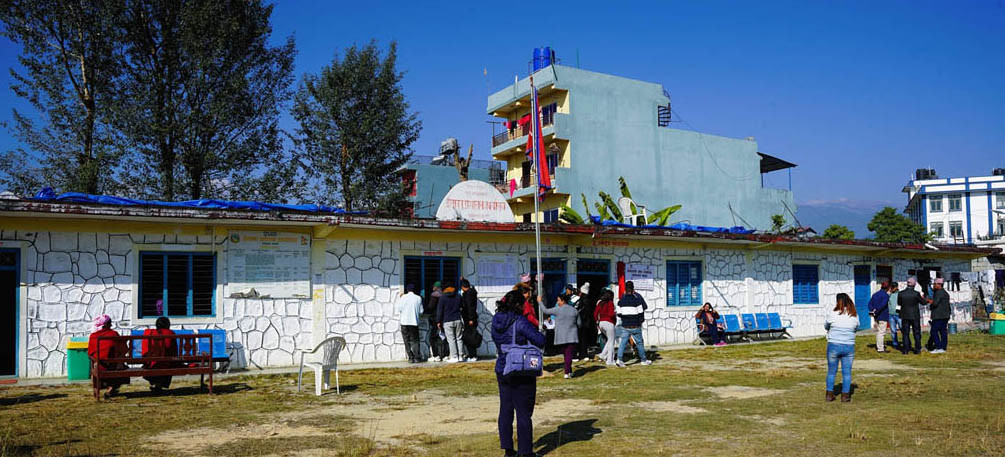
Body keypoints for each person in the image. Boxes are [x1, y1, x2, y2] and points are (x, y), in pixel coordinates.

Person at [491, 290, 546, 457]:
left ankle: (508, 450)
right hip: (520, 370)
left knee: (506, 409)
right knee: (523, 412)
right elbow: (540, 341)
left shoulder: (496, 320)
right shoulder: (520, 321)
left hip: (502, 367)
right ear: (518, 305)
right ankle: (525, 451)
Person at [825, 293, 860, 402]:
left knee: (831, 371)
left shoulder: (833, 313)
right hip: (848, 345)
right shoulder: (854, 315)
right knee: (847, 372)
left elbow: (826, 326)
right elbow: (856, 328)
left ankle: (829, 394)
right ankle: (845, 396)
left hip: (833, 344)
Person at [87, 315, 129, 399]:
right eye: (110, 323)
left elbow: (90, 353)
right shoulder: (114, 334)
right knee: (123, 368)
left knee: (97, 368)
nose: (111, 325)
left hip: (99, 366)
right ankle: (111, 389)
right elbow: (123, 349)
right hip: (113, 367)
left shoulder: (93, 336)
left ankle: (103, 389)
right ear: (107, 324)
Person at [543, 293, 580, 378]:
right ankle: (568, 372)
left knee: (566, 355)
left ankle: (568, 371)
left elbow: (545, 311)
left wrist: (539, 302)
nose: (557, 302)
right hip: (572, 336)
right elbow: (579, 323)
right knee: (569, 354)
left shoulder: (557, 310)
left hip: (561, 337)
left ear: (563, 301)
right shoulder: (574, 310)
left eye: (558, 300)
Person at [615, 281, 651, 367]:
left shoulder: (620, 301)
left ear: (625, 289)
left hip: (625, 326)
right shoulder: (637, 300)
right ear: (633, 289)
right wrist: (640, 321)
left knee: (623, 343)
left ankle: (619, 359)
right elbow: (641, 313)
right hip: (635, 325)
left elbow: (619, 314)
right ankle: (643, 360)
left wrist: (625, 317)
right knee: (639, 343)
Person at [142, 316, 177, 391]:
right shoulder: (170, 333)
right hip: (166, 363)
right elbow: (174, 351)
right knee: (168, 363)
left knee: (158, 363)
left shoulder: (148, 333)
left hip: (150, 364)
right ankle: (159, 385)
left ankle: (156, 384)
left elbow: (144, 351)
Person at [395, 284, 424, 363]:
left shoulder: (403, 297)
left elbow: (399, 309)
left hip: (404, 322)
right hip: (414, 322)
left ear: (407, 290)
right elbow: (421, 311)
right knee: (415, 340)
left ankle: (410, 357)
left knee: (406, 340)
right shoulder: (418, 298)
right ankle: (417, 357)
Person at [436, 282, 464, 363]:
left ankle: (454, 356)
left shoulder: (443, 297)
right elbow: (462, 306)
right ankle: (461, 356)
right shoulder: (458, 296)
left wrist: (438, 321)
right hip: (458, 319)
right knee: (459, 338)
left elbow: (440, 310)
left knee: (451, 339)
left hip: (447, 320)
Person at [898, 277, 925, 354]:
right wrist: (924, 298)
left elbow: (899, 303)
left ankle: (905, 350)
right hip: (914, 315)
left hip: (904, 315)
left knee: (905, 333)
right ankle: (917, 349)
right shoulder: (916, 294)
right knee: (916, 332)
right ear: (914, 284)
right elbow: (923, 302)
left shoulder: (901, 293)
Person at [593, 289, 617, 365]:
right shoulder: (610, 303)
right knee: (611, 342)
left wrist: (597, 321)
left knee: (610, 340)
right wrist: (615, 314)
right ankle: (610, 360)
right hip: (609, 322)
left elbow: (595, 313)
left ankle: (603, 355)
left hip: (601, 323)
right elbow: (611, 314)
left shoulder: (600, 303)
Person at [867, 281, 891, 353]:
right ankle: (880, 348)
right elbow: (883, 305)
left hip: (876, 316)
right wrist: (876, 310)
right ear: (887, 288)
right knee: (881, 332)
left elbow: (869, 304)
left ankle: (879, 346)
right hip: (882, 315)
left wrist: (873, 310)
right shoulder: (886, 296)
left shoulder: (875, 294)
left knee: (879, 331)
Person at [574, 282, 596, 361]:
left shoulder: (581, 301)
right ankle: (583, 353)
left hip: (581, 322)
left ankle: (579, 354)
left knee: (580, 339)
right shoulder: (587, 301)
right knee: (584, 339)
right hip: (586, 323)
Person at [424, 282, 446, 362]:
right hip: (444, 319)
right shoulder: (444, 295)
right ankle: (445, 354)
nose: (432, 287)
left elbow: (431, 306)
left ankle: (436, 355)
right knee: (444, 337)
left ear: (436, 287)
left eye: (434, 286)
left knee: (432, 338)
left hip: (435, 319)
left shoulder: (434, 295)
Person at [928, 277, 951, 354]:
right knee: (943, 332)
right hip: (945, 315)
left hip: (938, 316)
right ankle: (943, 347)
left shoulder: (938, 293)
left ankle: (938, 347)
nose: (933, 286)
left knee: (934, 331)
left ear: (939, 284)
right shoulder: (945, 293)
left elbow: (935, 303)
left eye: (935, 284)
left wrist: (929, 301)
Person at [460, 278, 481, 362]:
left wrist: (471, 318)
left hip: (469, 319)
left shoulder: (468, 294)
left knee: (470, 337)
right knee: (470, 336)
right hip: (470, 318)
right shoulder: (471, 292)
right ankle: (472, 354)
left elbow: (470, 307)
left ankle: (473, 355)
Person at [888, 282, 901, 350]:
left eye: (893, 287)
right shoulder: (889, 294)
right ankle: (895, 343)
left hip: (899, 314)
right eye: (891, 287)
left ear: (896, 287)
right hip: (891, 314)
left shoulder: (900, 294)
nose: (892, 288)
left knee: (902, 328)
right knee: (893, 330)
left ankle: (906, 342)